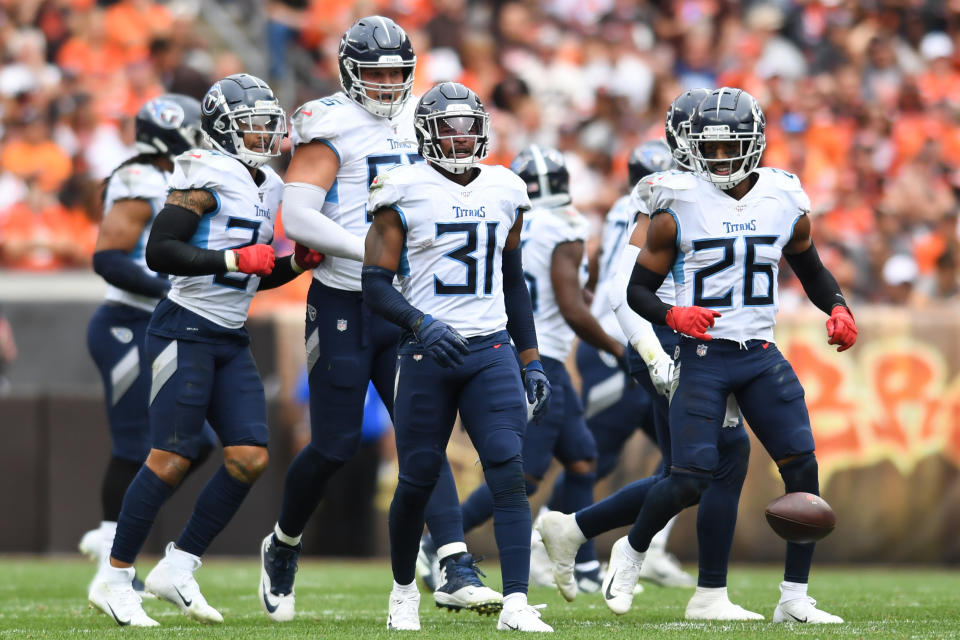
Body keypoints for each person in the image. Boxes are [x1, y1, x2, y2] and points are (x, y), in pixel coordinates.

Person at [259, 16, 499, 623]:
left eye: (397, 71)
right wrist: (367, 251)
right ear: (348, 72)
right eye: (377, 72)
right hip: (344, 299)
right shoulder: (329, 121)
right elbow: (299, 216)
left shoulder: (427, 115)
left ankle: (452, 560)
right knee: (335, 445)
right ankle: (284, 542)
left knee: (423, 437)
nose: (389, 83)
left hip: (409, 305)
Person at [610, 87, 856, 622]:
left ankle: (794, 599)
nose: (720, 158)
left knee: (803, 469)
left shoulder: (784, 197)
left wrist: (837, 307)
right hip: (703, 356)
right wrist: (672, 317)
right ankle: (630, 551)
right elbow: (635, 291)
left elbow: (810, 269)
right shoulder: (675, 203)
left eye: (731, 147)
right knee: (688, 478)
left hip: (760, 354)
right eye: (710, 148)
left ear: (754, 144)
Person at [87, 73, 321, 628]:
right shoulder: (203, 172)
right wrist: (234, 260)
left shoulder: (268, 184)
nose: (265, 133)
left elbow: (251, 279)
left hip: (229, 334)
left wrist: (292, 266)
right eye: (253, 124)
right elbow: (160, 250)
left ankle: (180, 565)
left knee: (249, 457)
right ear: (222, 128)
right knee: (168, 458)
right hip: (183, 327)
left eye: (269, 122)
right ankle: (115, 577)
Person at [537, 89, 757, 620]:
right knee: (708, 466)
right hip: (661, 337)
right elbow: (621, 286)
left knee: (695, 470)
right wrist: (652, 352)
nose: (717, 150)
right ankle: (669, 571)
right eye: (706, 138)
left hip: (679, 338)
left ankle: (575, 529)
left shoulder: (697, 191)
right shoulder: (666, 193)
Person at [362, 81, 553, 632]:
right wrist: (419, 322)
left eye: (469, 125)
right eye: (449, 127)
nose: (461, 136)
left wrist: (531, 358)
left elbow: (514, 284)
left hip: (490, 347)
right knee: (418, 477)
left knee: (508, 471)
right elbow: (375, 283)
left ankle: (515, 601)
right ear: (427, 133)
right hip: (427, 351)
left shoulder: (506, 188)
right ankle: (403, 590)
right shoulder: (401, 187)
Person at [455, 144, 617, 593]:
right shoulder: (564, 225)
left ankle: (580, 563)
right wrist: (619, 350)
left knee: (583, 461)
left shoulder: (512, 218)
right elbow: (571, 305)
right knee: (523, 474)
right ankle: (440, 543)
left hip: (528, 351)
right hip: (538, 357)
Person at [80, 94, 218, 592]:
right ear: (169, 132)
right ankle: (110, 558)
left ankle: (112, 532)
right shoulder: (142, 178)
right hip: (126, 322)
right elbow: (109, 258)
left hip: (160, 324)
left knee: (195, 443)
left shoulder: (182, 178)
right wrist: (172, 287)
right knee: (136, 442)